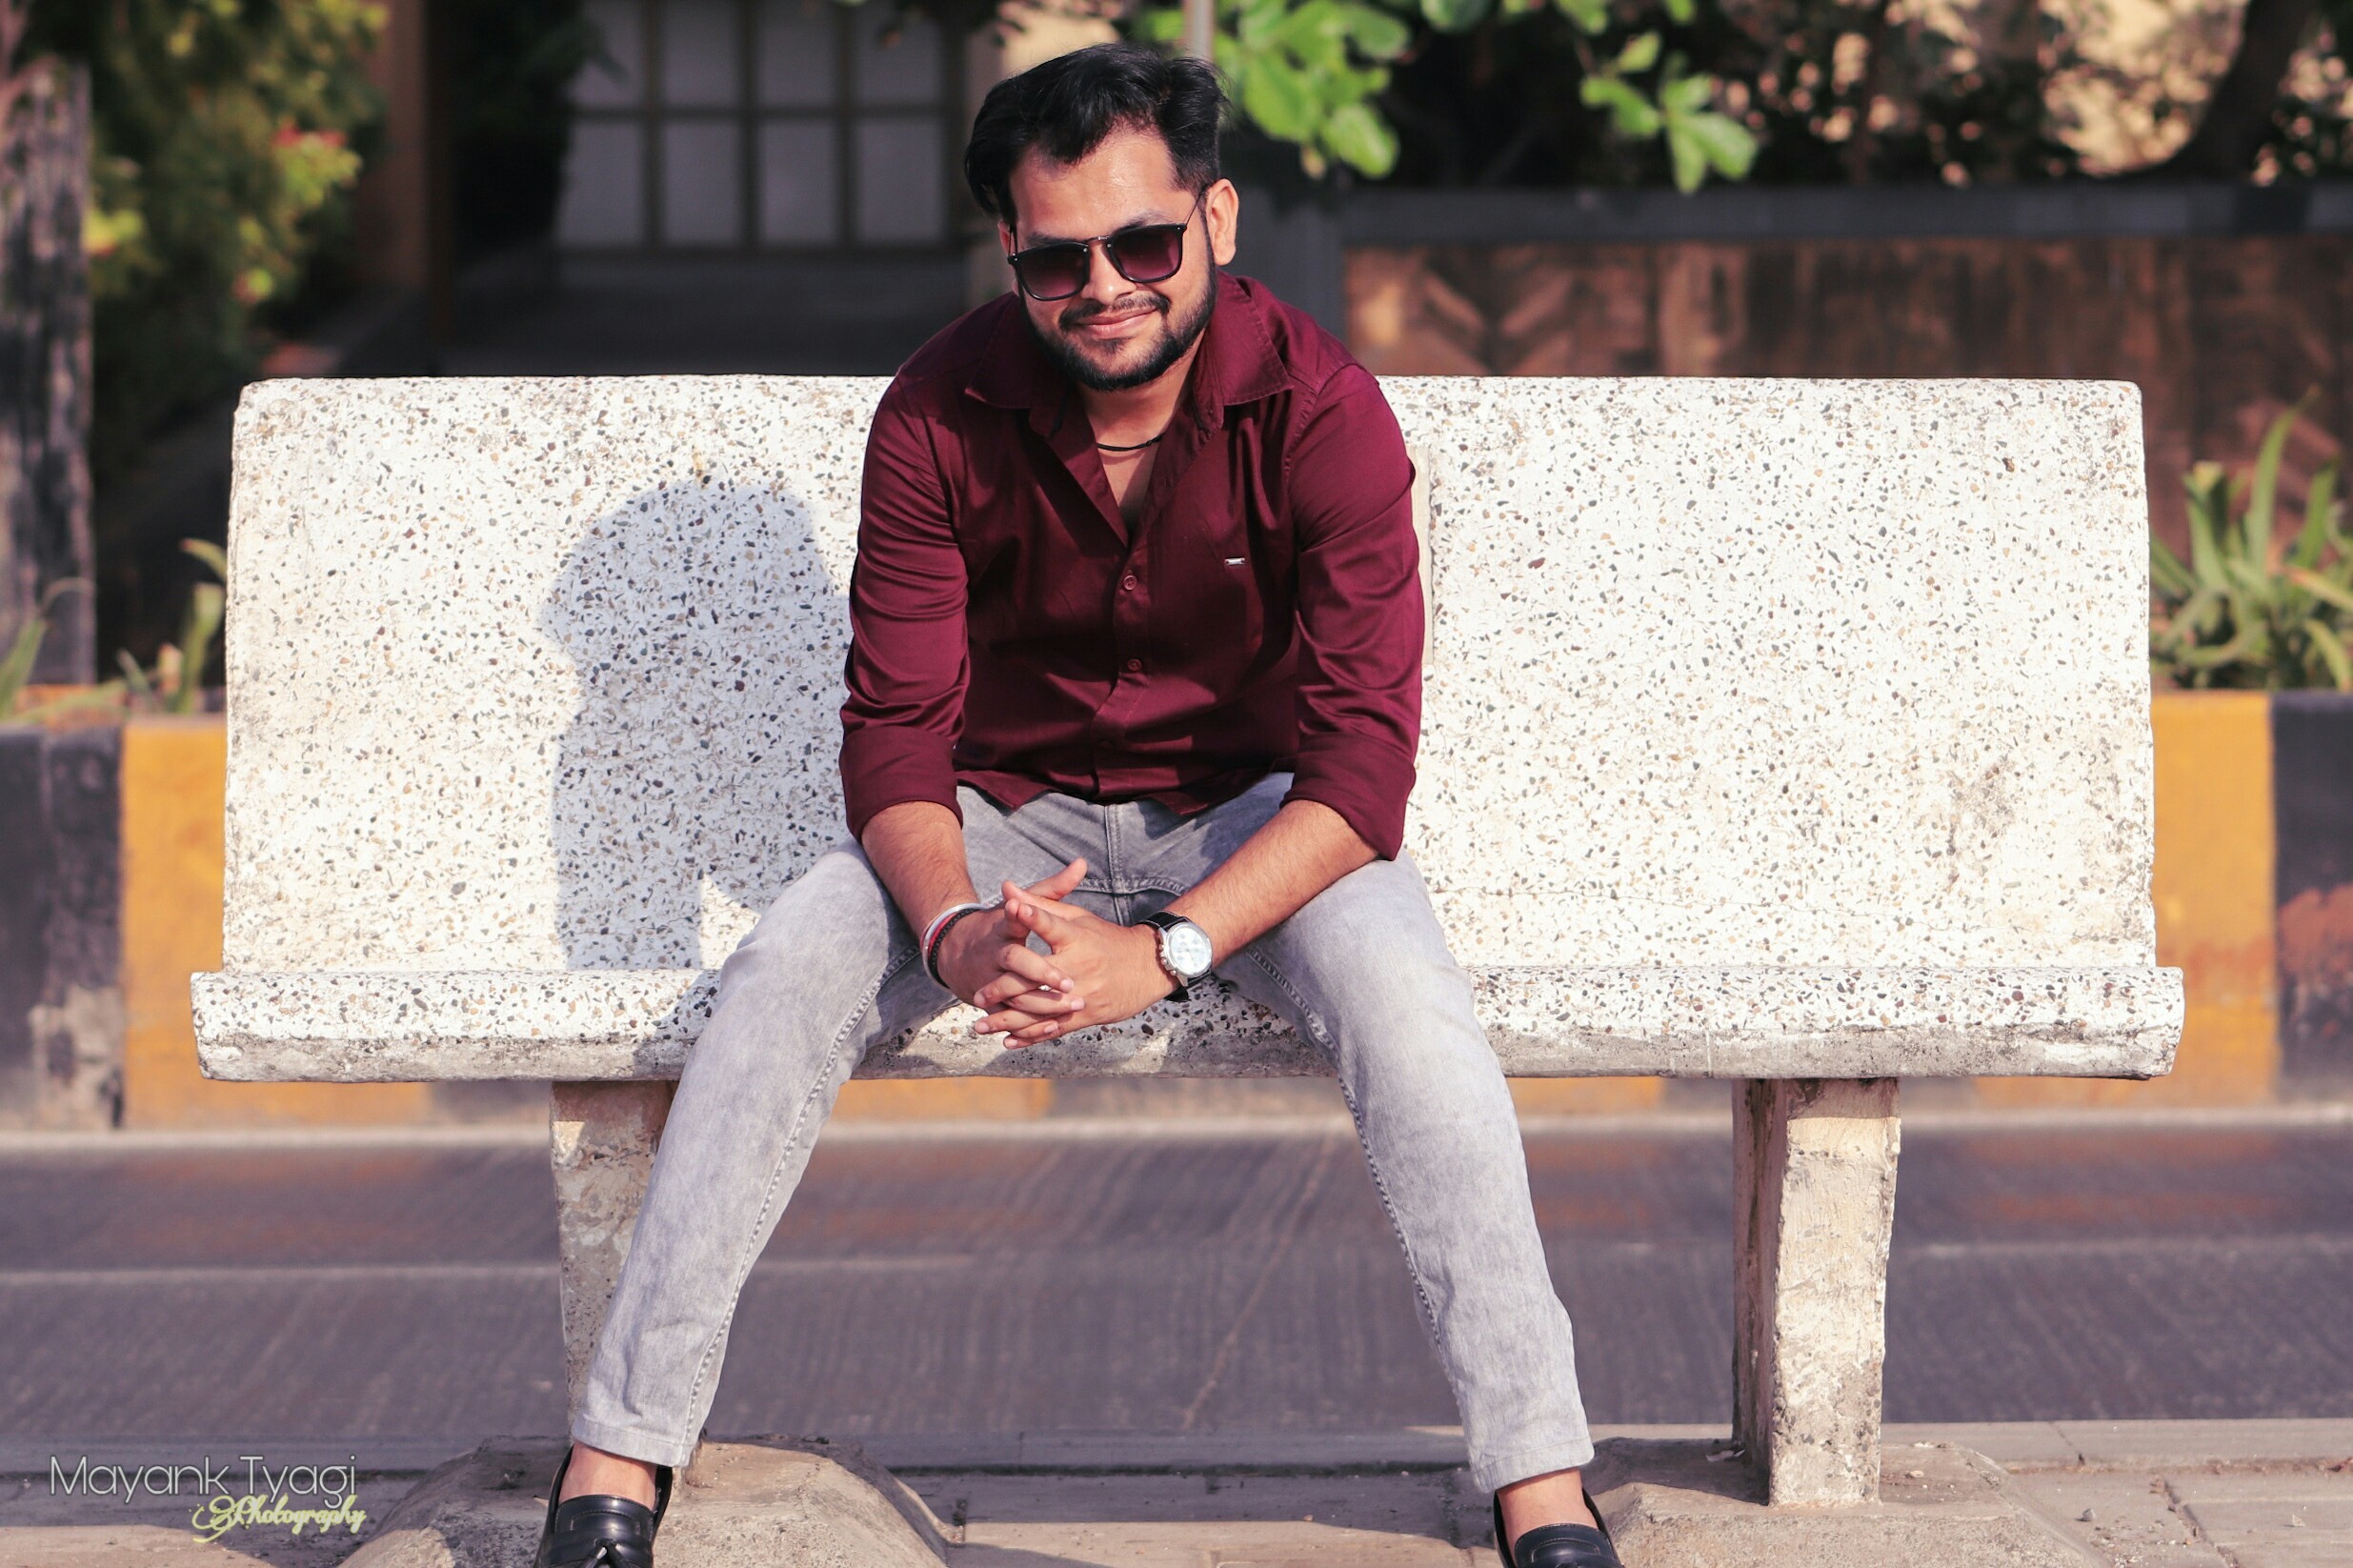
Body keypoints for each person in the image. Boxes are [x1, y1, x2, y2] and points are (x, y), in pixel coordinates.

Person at [531, 41, 1619, 1568]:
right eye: (1057, 259)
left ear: (1216, 219)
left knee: (1413, 1007)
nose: (1103, 287)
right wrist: (952, 927)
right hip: (998, 822)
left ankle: (1541, 1489)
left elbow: (1362, 776)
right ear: (1011, 252)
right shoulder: (937, 411)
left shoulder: (1323, 411)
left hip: (1256, 820)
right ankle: (615, 1463)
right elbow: (894, 742)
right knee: (781, 968)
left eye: (1143, 243)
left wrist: (1163, 949)